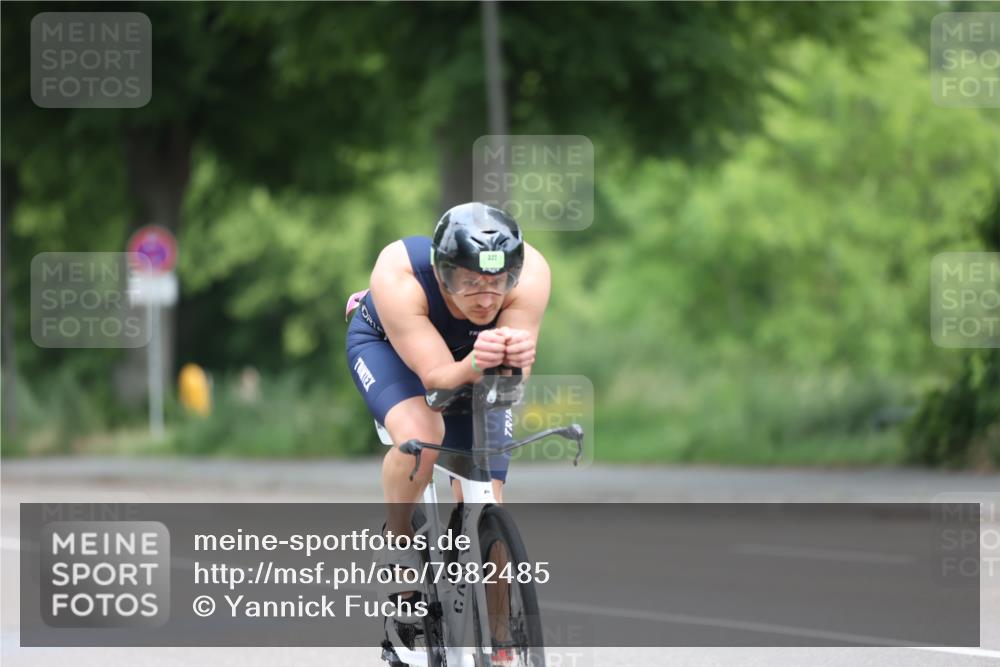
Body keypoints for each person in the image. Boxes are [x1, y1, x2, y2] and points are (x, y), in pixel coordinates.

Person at [344, 202, 550, 662]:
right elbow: (437, 379)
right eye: (468, 282)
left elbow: (505, 382)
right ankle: (400, 545)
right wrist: (476, 362)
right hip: (393, 348)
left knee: (486, 499)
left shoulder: (532, 273)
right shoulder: (399, 273)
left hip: (468, 357)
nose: (484, 297)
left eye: (497, 283)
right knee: (422, 433)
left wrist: (508, 366)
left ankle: (501, 646)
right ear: (441, 273)